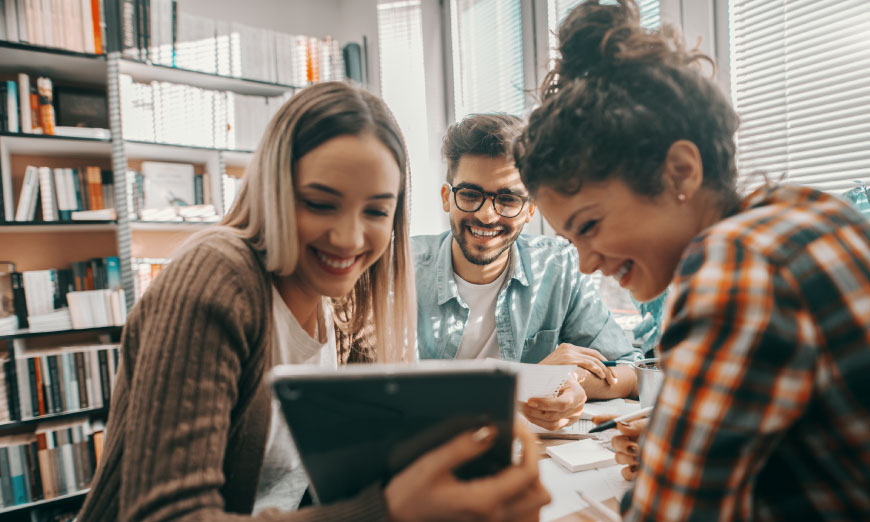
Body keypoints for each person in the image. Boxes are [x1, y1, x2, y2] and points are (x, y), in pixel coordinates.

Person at [77, 82, 550, 522]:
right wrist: (387, 511)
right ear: (274, 193)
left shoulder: (347, 302)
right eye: (321, 203)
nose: (348, 238)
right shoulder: (217, 277)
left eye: (375, 211)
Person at [513, 0, 870, 520]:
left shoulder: (737, 263)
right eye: (572, 240)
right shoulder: (813, 213)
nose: (586, 264)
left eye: (589, 226)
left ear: (680, 171)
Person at [414, 113, 641, 430]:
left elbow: (629, 371)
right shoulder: (401, 272)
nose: (487, 215)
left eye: (507, 199)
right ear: (446, 198)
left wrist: (571, 381)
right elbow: (387, 394)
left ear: (530, 209)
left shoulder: (559, 266)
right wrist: (528, 380)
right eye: (469, 194)